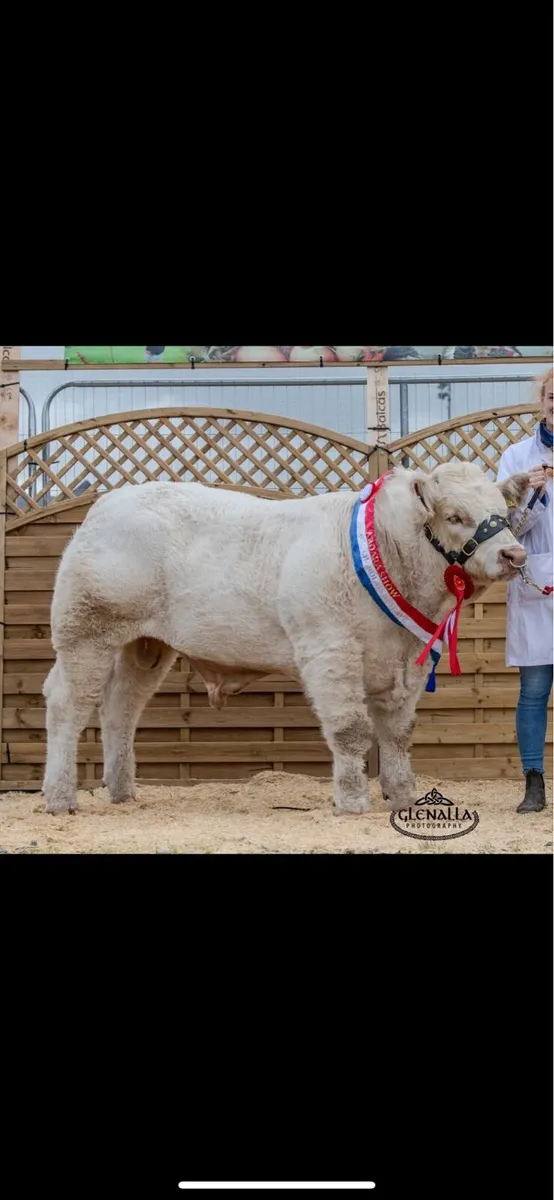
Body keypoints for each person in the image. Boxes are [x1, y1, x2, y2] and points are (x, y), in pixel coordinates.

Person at [497, 366, 553, 812]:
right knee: (534, 689)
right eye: (552, 396)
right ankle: (533, 782)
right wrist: (530, 493)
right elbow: (506, 530)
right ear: (541, 402)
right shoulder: (516, 458)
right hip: (537, 581)